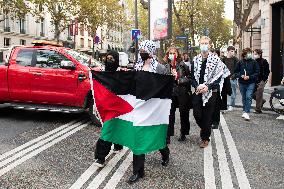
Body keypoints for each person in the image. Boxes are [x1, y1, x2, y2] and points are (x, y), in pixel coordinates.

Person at [129, 40, 170, 183]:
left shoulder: (159, 68)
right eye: (140, 50)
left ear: (151, 51)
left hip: (154, 108)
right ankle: (138, 171)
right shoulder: (137, 66)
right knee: (138, 138)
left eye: (143, 50)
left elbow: (165, 87)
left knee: (155, 135)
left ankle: (165, 152)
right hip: (139, 106)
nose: (141, 52)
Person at [191, 36, 225, 148]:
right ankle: (205, 128)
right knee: (197, 114)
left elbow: (219, 78)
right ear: (199, 45)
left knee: (207, 116)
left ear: (210, 45)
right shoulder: (195, 60)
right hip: (197, 91)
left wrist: (208, 87)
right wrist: (197, 86)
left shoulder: (216, 60)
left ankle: (205, 138)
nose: (204, 45)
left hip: (211, 92)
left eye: (206, 43)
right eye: (202, 43)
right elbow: (192, 77)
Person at [93, 50, 123, 167]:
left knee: (108, 130)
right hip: (105, 106)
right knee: (112, 127)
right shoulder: (102, 74)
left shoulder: (121, 74)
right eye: (107, 58)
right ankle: (118, 144)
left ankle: (100, 157)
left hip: (117, 107)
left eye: (112, 59)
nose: (109, 61)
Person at [163, 47, 191, 142]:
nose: (172, 55)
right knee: (169, 114)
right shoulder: (165, 66)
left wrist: (179, 79)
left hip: (181, 92)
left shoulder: (182, 65)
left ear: (177, 54)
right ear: (167, 55)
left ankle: (183, 133)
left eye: (174, 53)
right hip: (170, 92)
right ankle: (168, 135)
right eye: (170, 53)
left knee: (183, 113)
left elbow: (189, 78)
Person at [235, 48, 260, 121]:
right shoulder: (240, 62)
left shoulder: (254, 62)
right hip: (242, 83)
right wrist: (241, 75)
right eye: (248, 53)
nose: (250, 54)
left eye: (250, 53)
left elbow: (257, 72)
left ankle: (247, 112)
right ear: (244, 54)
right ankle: (244, 110)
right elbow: (236, 72)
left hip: (251, 82)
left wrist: (249, 77)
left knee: (248, 97)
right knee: (244, 97)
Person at [211, 49, 231, 129]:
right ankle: (209, 121)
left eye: (215, 54)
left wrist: (228, 89)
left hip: (218, 88)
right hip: (208, 89)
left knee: (216, 107)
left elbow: (226, 76)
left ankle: (215, 122)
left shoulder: (221, 64)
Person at [252, 49, 270, 113]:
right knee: (251, 93)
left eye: (255, 54)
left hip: (262, 80)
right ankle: (262, 101)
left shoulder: (264, 61)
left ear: (259, 54)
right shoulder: (253, 62)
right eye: (254, 54)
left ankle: (258, 109)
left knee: (259, 93)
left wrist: (264, 80)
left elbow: (267, 71)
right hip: (255, 80)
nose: (254, 55)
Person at [223, 46, 239, 111]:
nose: (233, 52)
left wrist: (233, 77)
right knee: (223, 93)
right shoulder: (223, 59)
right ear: (228, 51)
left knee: (233, 93)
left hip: (232, 79)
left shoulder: (235, 59)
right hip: (225, 79)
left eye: (234, 51)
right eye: (231, 51)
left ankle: (231, 105)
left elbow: (238, 70)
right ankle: (224, 106)